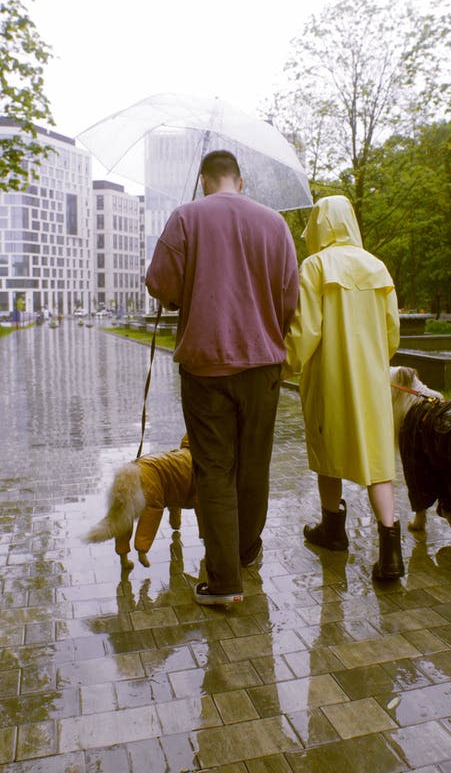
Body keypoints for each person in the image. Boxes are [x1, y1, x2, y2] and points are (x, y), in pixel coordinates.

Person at [145, 150, 299, 604]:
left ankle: (224, 579)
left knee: (214, 470)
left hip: (206, 365)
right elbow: (290, 297)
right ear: (240, 180)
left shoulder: (185, 218)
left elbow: (160, 283)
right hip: (263, 366)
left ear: (203, 180)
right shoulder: (275, 224)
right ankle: (246, 552)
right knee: (253, 466)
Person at [284, 195, 404, 580]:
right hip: (371, 379)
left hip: (329, 377)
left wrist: (284, 366)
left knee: (327, 449)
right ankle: (391, 551)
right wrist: (373, 361)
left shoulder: (315, 266)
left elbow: (306, 331)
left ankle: (333, 531)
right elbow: (392, 332)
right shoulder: (377, 267)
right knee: (377, 458)